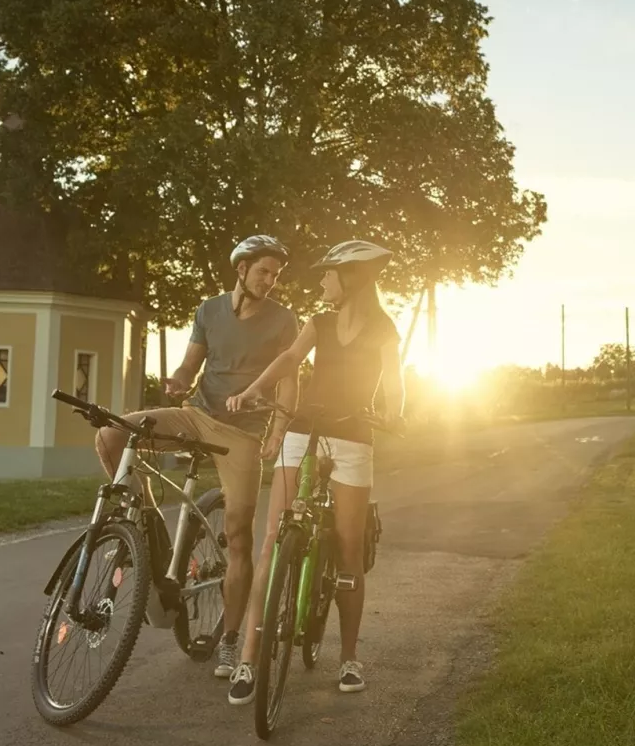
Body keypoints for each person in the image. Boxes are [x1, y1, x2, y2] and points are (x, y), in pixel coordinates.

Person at [92, 235, 299, 681]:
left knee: (240, 537)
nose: (271, 281)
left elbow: (287, 381)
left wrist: (277, 431)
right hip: (195, 414)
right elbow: (192, 364)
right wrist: (178, 380)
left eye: (275, 275)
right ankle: (148, 533)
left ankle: (228, 640)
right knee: (111, 436)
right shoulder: (209, 310)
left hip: (242, 434)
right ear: (241, 269)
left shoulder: (285, 320)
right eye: (263, 271)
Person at [223, 239, 405, 702]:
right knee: (273, 540)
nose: (321, 280)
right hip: (303, 433)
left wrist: (395, 413)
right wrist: (253, 389)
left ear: (350, 279)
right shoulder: (318, 322)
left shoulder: (384, 328)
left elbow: (394, 382)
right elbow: (288, 360)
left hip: (352, 438)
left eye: (329, 274)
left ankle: (347, 658)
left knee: (347, 550)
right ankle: (248, 658)